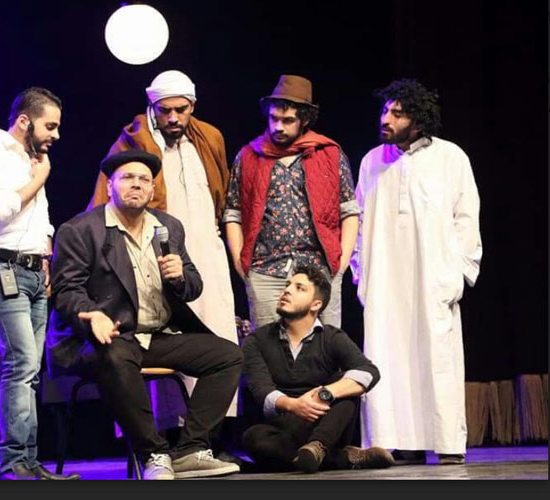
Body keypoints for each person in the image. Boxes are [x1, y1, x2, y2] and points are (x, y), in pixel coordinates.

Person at [49, 150, 242, 480]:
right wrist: (92, 314)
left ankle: (190, 450)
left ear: (153, 190)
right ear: (110, 186)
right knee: (115, 355)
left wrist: (180, 277)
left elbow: (193, 286)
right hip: (105, 337)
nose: (136, 185)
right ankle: (152, 453)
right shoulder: (80, 230)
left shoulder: (167, 227)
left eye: (144, 180)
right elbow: (66, 290)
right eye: (127, 178)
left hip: (155, 337)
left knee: (228, 356)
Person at [87, 70, 238, 426]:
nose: (172, 118)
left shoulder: (210, 138)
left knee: (217, 331)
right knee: (162, 337)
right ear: (152, 107)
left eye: (180, 110)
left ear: (192, 106)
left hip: (206, 250)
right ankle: (165, 434)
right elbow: (104, 202)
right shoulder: (132, 142)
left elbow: (222, 189)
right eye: (164, 110)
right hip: (153, 254)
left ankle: (212, 431)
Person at [351, 79, 482, 465]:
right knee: (387, 356)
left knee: (436, 359)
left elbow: (466, 217)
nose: (386, 119)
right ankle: (394, 442)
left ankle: (446, 442)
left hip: (432, 279)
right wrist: (361, 276)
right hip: (385, 281)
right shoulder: (372, 161)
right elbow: (359, 222)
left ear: (419, 120)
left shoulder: (450, 157)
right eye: (385, 110)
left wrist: (456, 274)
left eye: (397, 113)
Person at [0, 87, 78, 480]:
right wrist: (40, 177)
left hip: (33, 271)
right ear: (25, 121)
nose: (56, 135)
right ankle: (12, 461)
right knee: (21, 362)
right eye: (51, 126)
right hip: (1, 269)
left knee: (31, 369)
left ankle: (29, 461)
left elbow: (40, 218)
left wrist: (46, 257)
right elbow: (1, 211)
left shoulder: (35, 158)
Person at [224, 75, 359, 329]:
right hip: (265, 270)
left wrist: (341, 266)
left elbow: (349, 211)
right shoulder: (249, 155)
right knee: (268, 348)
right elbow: (233, 214)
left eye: (287, 121)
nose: (278, 127)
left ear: (304, 120)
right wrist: (241, 265)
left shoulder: (329, 153)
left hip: (319, 269)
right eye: (274, 118)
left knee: (325, 346)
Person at [241, 265, 393, 473]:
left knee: (345, 382)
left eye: (299, 288)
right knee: (254, 438)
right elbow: (261, 390)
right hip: (284, 426)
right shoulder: (257, 340)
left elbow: (369, 371)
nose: (287, 291)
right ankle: (343, 457)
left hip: (326, 424)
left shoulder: (331, 337)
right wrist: (295, 405)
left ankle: (318, 447)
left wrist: (326, 393)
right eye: (288, 285)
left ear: (316, 304)